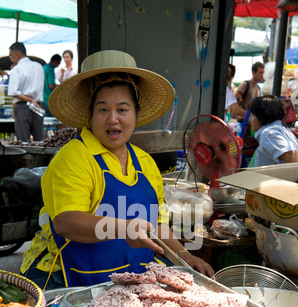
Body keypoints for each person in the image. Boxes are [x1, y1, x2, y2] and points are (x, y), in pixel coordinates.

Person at [20, 50, 214, 289]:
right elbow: (66, 223)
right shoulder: (73, 157)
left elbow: (157, 224)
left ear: (137, 114)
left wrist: (184, 255)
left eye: (122, 109)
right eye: (103, 110)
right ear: (90, 115)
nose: (112, 119)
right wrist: (124, 228)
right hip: (66, 277)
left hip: (129, 279)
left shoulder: (145, 162)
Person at [8, 42, 45, 142]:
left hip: (23, 106)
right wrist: (33, 100)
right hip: (38, 105)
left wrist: (30, 99)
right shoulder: (39, 66)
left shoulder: (17, 69)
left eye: (11, 56)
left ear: (17, 54)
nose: (11, 59)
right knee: (39, 140)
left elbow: (13, 92)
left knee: (23, 141)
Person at [248, 95, 298, 167]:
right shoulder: (282, 130)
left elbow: (292, 158)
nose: (250, 120)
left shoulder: (269, 134)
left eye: (253, 115)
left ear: (262, 116)